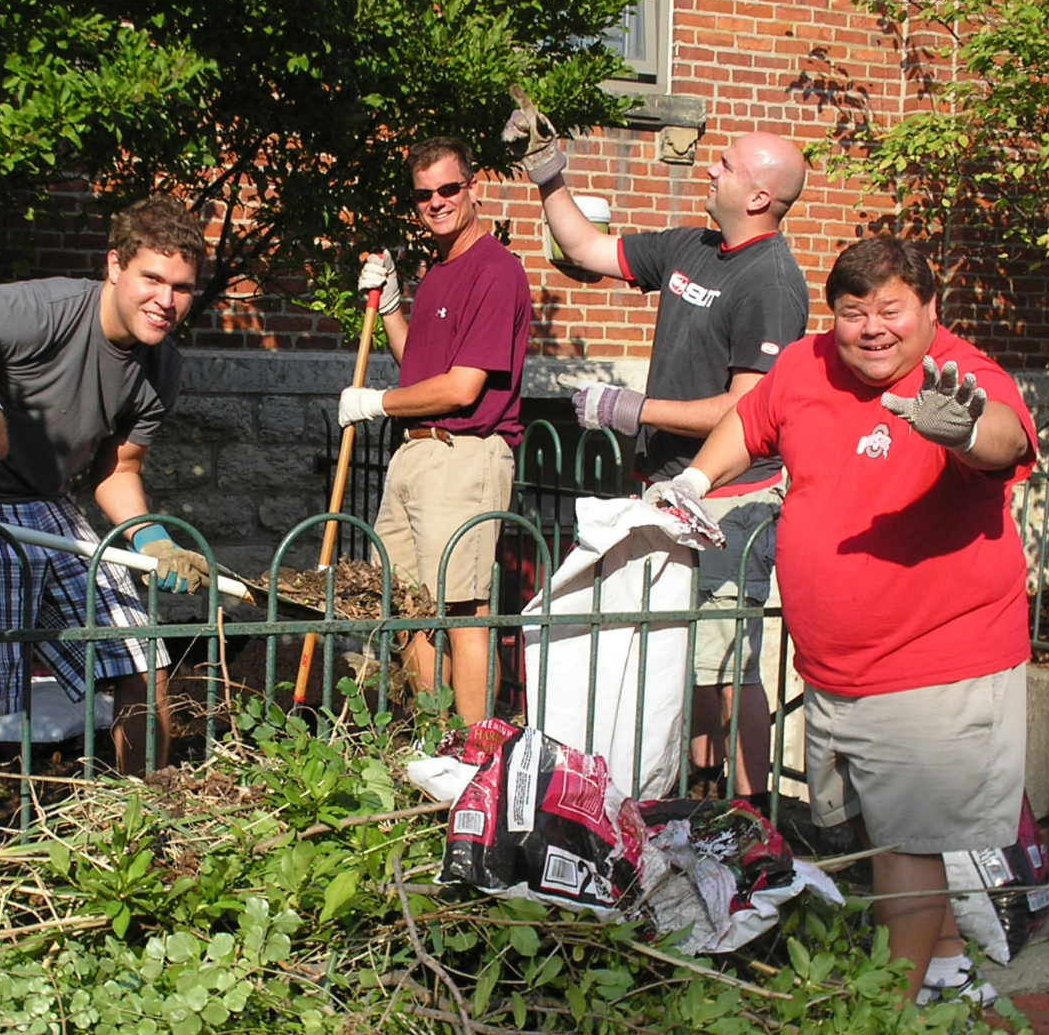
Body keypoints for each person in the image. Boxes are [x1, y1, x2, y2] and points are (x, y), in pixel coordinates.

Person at [675, 234, 1032, 1004]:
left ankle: (889, 1011)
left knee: (906, 844)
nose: (872, 328)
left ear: (930, 309)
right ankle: (942, 969)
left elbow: (1002, 436)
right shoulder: (806, 364)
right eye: (853, 311)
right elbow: (753, 419)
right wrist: (697, 479)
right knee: (885, 831)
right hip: (837, 669)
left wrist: (963, 431)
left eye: (892, 309)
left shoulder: (959, 380)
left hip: (934, 661)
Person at [504, 93, 808, 808]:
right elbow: (584, 247)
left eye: (727, 165)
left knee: (721, 671)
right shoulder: (689, 246)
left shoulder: (772, 283)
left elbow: (748, 408)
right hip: (662, 491)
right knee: (670, 659)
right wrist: (550, 175)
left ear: (760, 196)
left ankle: (744, 816)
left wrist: (635, 407)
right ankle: (684, 805)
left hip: (732, 502)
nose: (711, 167)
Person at [0, 195, 212, 776]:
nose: (166, 300)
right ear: (114, 266)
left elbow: (118, 470)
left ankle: (145, 813)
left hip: (49, 508)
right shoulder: (36, 312)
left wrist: (150, 540)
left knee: (140, 659)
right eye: (152, 278)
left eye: (181, 287)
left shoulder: (161, 367)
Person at [338, 136, 532, 726]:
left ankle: (477, 758)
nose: (438, 202)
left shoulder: (496, 271)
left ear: (473, 188)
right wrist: (394, 302)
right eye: (425, 195)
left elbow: (461, 388)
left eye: (449, 189)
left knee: (463, 610)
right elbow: (419, 366)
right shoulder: (442, 271)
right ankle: (430, 738)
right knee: (406, 608)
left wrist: (377, 403)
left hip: (463, 454)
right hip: (416, 452)